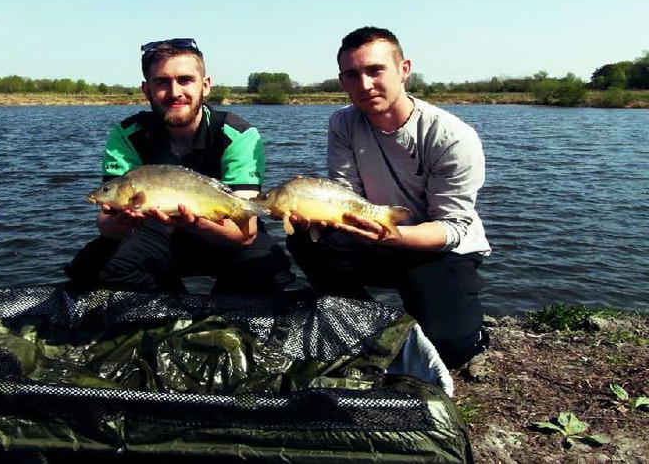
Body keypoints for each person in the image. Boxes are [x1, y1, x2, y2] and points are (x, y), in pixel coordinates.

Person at [286, 27, 491, 368]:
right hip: (373, 233)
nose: (364, 85)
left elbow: (453, 227)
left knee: (449, 349)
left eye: (375, 71)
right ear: (342, 82)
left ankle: (453, 320)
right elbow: (345, 193)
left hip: (438, 248)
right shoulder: (342, 123)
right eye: (352, 75)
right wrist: (314, 206)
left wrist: (394, 235)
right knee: (305, 238)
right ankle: (359, 317)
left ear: (404, 69)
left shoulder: (452, 137)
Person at [66, 38, 292, 296]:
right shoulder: (127, 134)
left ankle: (215, 315)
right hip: (152, 233)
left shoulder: (238, 134)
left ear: (205, 86)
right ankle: (175, 309)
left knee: (268, 269)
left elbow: (246, 232)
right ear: (147, 90)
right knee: (94, 268)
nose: (175, 93)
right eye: (162, 82)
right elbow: (106, 225)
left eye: (185, 80)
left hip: (220, 229)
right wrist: (121, 221)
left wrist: (195, 223)